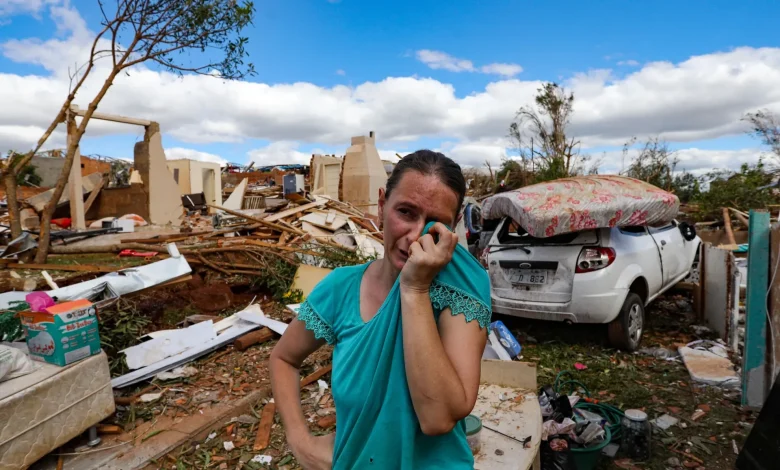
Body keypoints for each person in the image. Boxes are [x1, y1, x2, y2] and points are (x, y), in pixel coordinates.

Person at [270, 150, 492, 469]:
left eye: (435, 223)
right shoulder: (340, 288)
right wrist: (300, 441)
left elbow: (437, 417)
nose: (415, 236)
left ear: (453, 228)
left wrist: (414, 288)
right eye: (405, 211)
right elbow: (283, 358)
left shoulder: (463, 286)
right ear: (380, 206)